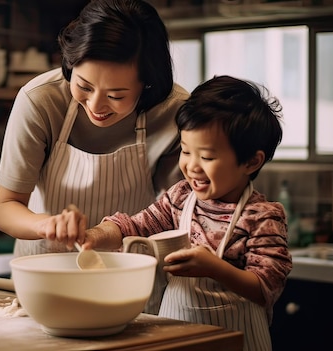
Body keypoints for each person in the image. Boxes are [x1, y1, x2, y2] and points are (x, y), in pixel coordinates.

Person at [54, 75, 293, 351]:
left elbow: (266, 286)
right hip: (178, 337)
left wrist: (215, 268)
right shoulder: (180, 198)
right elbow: (134, 226)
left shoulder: (262, 217)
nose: (191, 166)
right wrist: (92, 236)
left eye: (206, 157)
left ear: (251, 161)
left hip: (238, 340)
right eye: (186, 151)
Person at [0, 0, 189, 258]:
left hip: (129, 270)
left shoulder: (173, 111)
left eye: (117, 96)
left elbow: (182, 210)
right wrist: (46, 224)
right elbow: (6, 207)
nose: (96, 105)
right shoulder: (40, 100)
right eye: (84, 87)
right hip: (46, 269)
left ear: (148, 84)